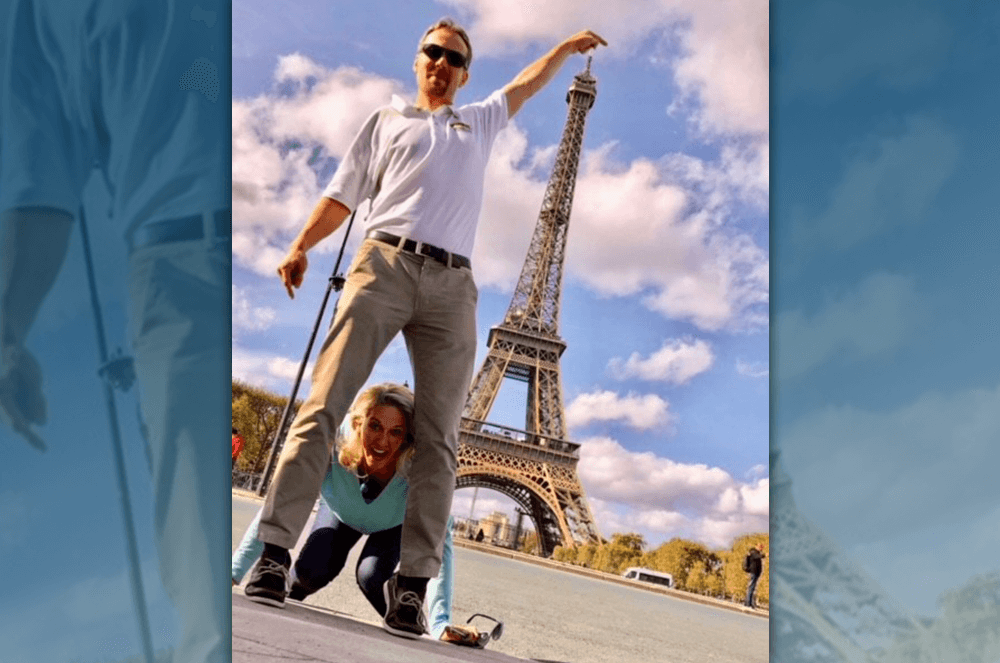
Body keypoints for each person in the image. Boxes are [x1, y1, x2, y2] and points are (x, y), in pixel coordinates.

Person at [247, 16, 607, 639]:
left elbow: (524, 84)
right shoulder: (385, 122)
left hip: (452, 284)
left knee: (440, 439)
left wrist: (562, 49)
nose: (440, 62)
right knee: (324, 408)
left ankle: (411, 588)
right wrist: (302, 245)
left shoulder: (482, 121)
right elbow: (341, 193)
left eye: (454, 57)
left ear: (465, 74)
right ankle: (274, 556)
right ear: (417, 61)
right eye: (432, 52)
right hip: (383, 261)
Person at [0, 2, 230, 662]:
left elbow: (42, 175)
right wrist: (9, 325)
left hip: (187, 257)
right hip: (175, 264)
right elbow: (42, 170)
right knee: (206, 598)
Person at [235, 383, 469, 642]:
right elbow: (286, 498)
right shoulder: (332, 441)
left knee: (373, 578)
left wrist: (439, 622)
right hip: (339, 513)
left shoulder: (420, 465)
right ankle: (285, 590)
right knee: (312, 569)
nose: (382, 441)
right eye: (375, 426)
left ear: (407, 438)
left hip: (393, 526)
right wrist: (234, 572)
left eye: (396, 432)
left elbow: (437, 536)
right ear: (357, 423)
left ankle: (406, 614)